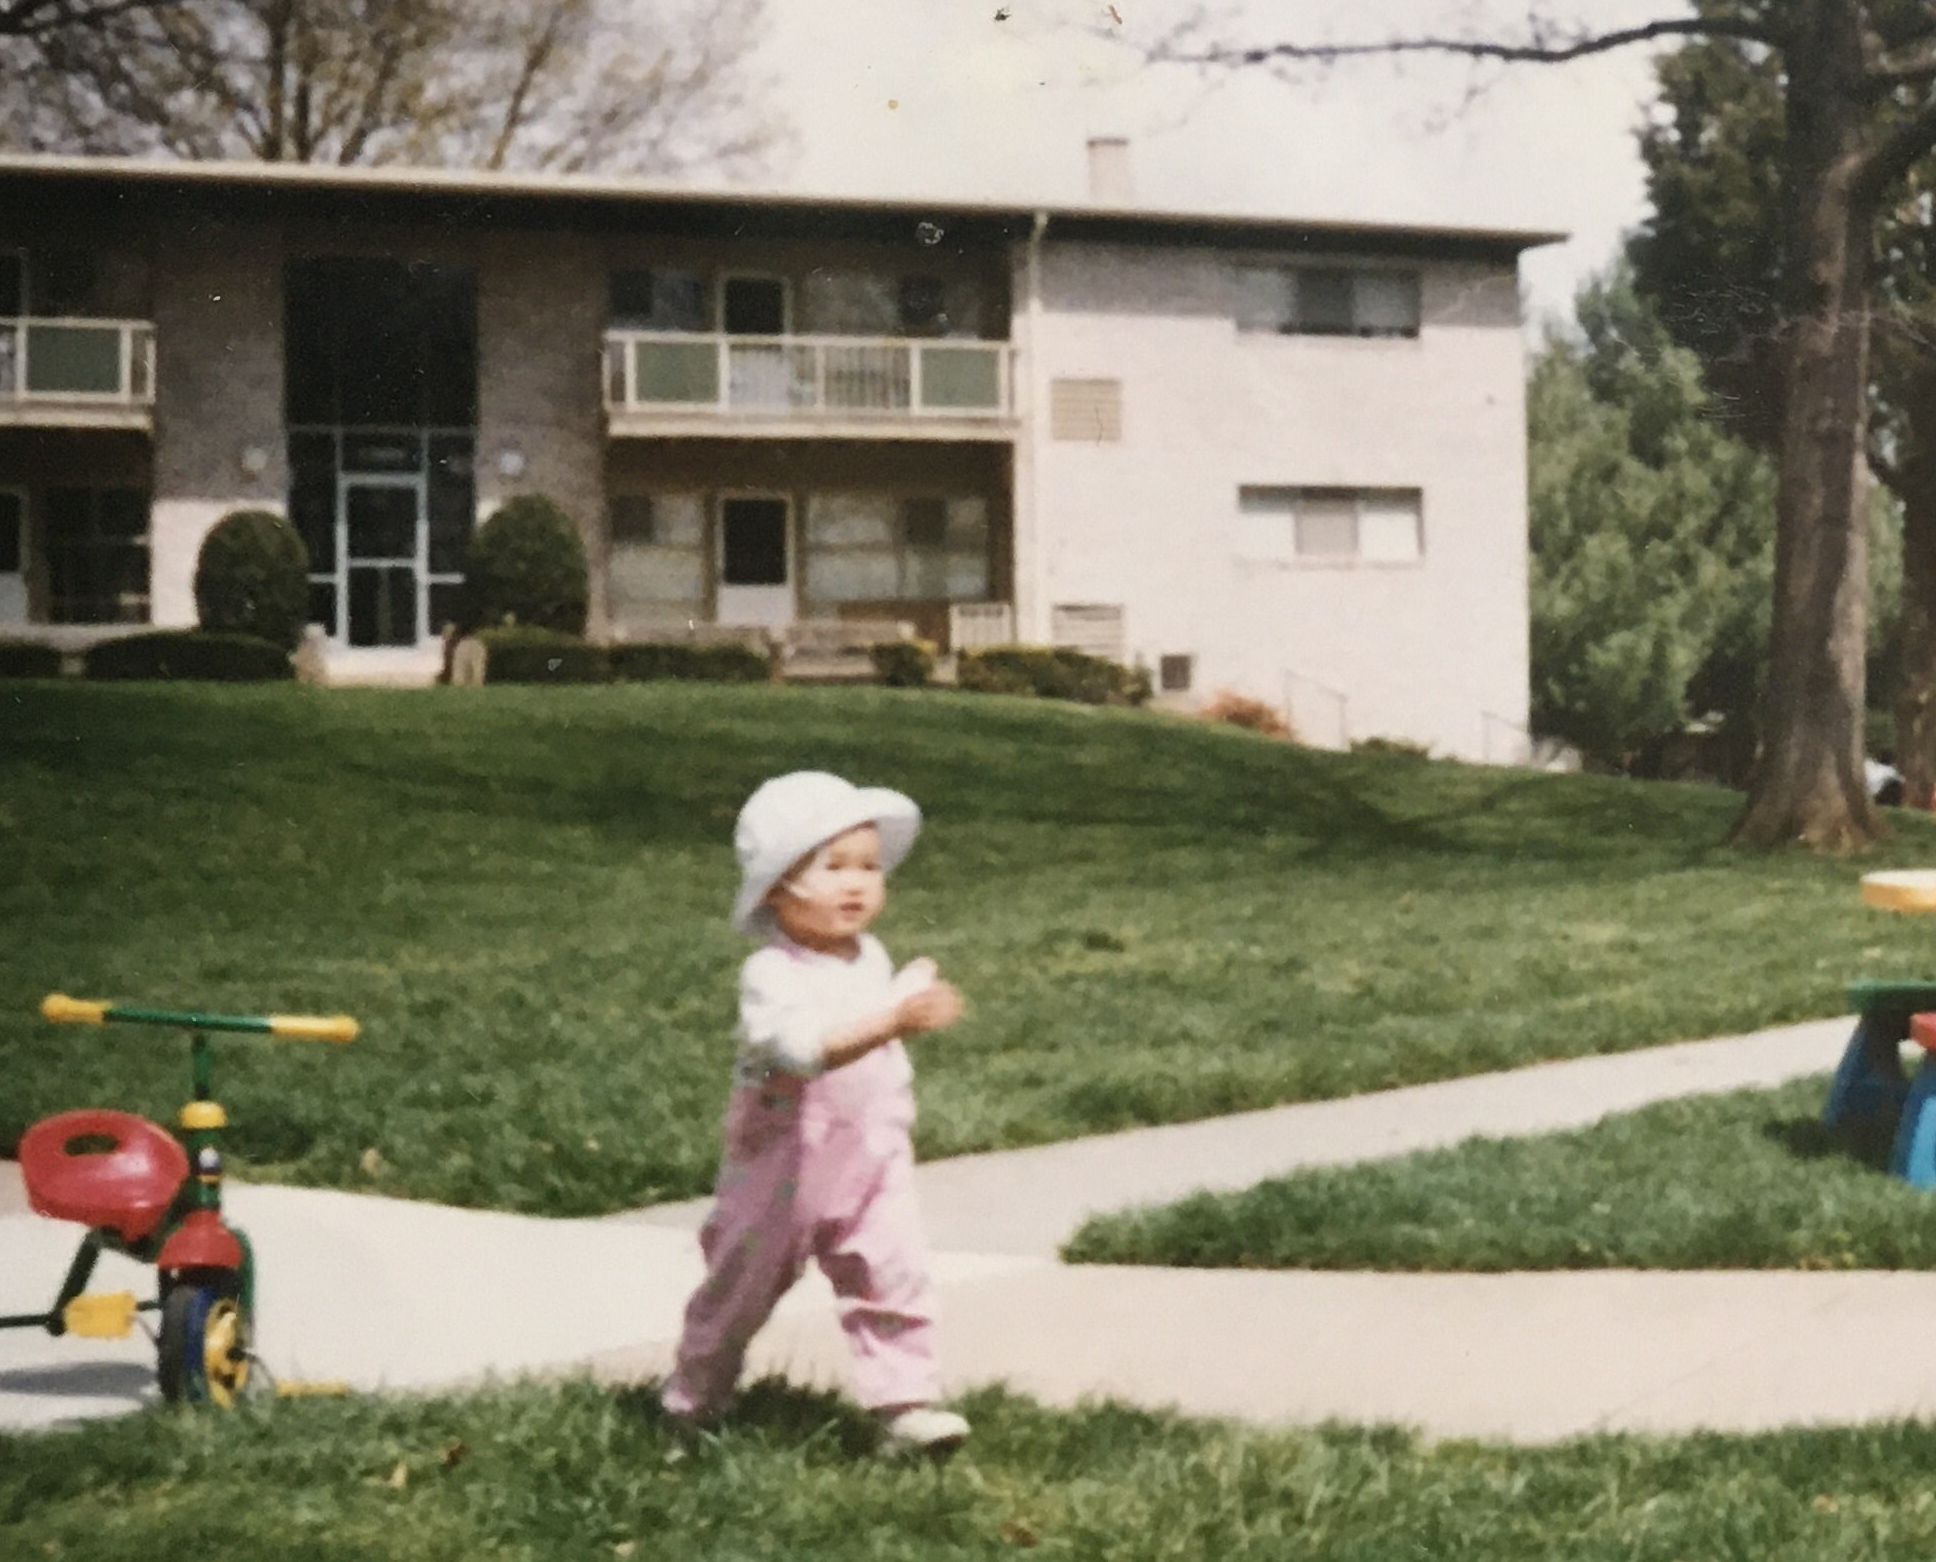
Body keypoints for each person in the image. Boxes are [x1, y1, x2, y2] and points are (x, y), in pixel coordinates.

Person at [660, 770, 971, 1453]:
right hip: (784, 1165)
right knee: (742, 1283)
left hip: (870, 1155)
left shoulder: (870, 956)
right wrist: (894, 1018)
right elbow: (801, 1049)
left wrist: (907, 989)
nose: (857, 883)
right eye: (832, 868)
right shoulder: (772, 973)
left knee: (894, 1270)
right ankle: (692, 1403)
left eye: (868, 866)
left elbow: (873, 1016)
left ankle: (904, 1404)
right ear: (776, 889)